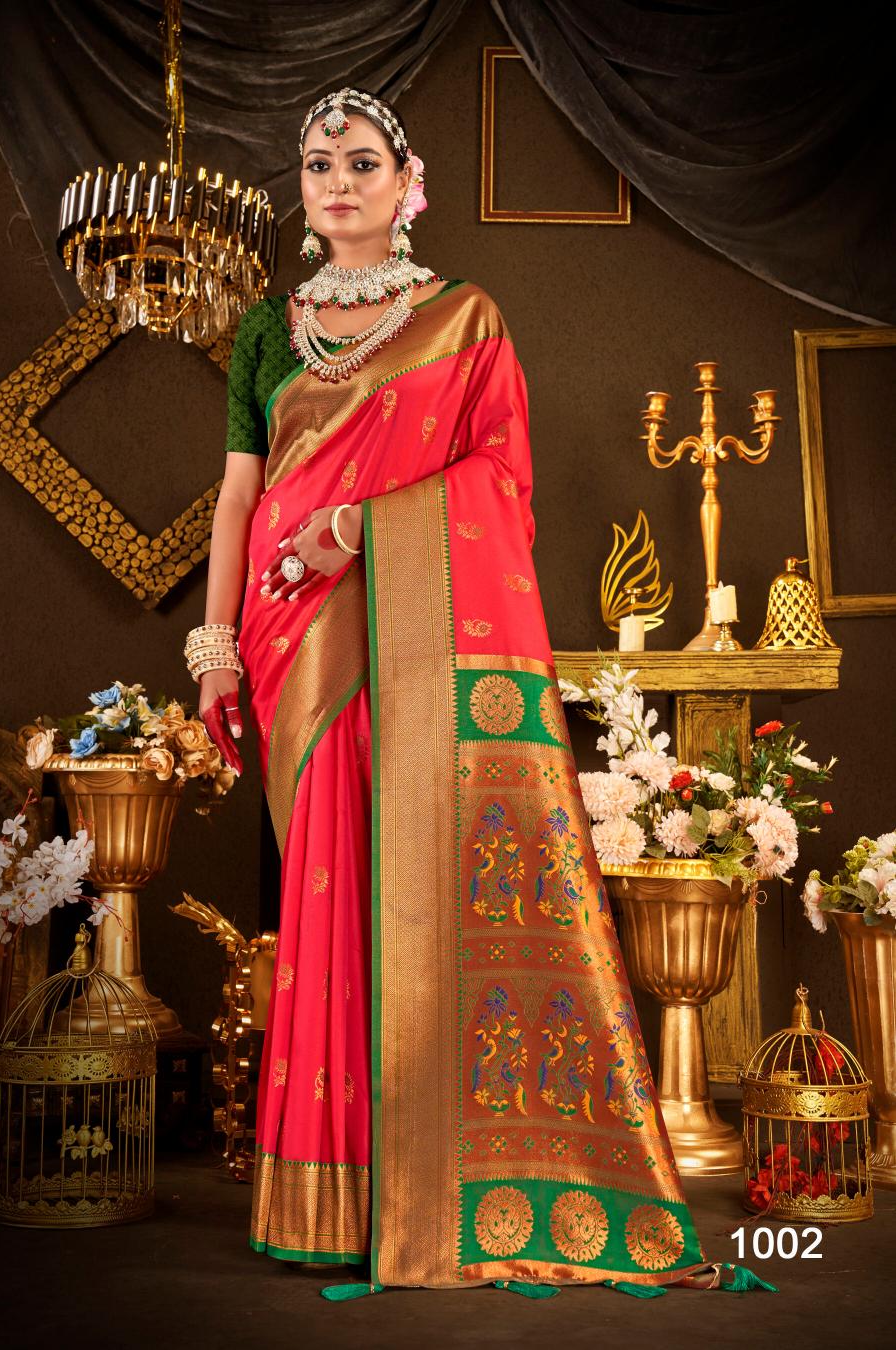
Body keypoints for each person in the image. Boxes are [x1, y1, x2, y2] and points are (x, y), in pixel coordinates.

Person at [187, 87, 766, 1300]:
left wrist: (360, 527)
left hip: (399, 624)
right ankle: (325, 1189)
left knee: (408, 877)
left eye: (361, 161)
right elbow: (239, 497)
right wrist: (217, 643)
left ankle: (418, 1193)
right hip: (291, 636)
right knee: (326, 886)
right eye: (317, 164)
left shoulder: (463, 319)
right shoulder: (265, 332)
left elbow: (499, 479)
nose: (337, 182)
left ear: (410, 183)